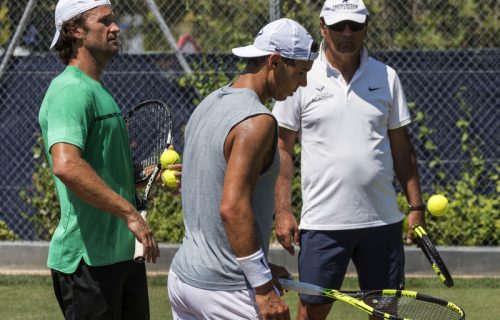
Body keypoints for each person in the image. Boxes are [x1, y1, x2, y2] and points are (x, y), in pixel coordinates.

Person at [272, 1, 426, 319]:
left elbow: (402, 148)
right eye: (339, 25)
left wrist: (416, 207)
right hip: (322, 224)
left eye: (355, 26)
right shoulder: (302, 76)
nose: (347, 33)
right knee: (311, 310)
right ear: (323, 27)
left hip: (382, 222)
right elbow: (281, 148)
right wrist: (283, 210)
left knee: (385, 312)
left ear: (366, 27)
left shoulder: (387, 76)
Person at [168, 18, 318, 320]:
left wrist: (260, 266)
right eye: (301, 72)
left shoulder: (209, 103)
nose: (302, 83)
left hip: (184, 280)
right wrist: (262, 286)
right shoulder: (259, 121)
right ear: (275, 62)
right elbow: (232, 208)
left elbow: (208, 189)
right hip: (226, 290)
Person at [38, 0, 162, 318]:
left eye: (113, 20)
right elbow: (66, 165)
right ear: (76, 30)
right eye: (104, 21)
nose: (116, 27)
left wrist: (148, 175)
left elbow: (103, 170)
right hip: (86, 261)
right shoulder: (69, 91)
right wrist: (131, 215)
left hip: (121, 255)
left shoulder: (97, 90)